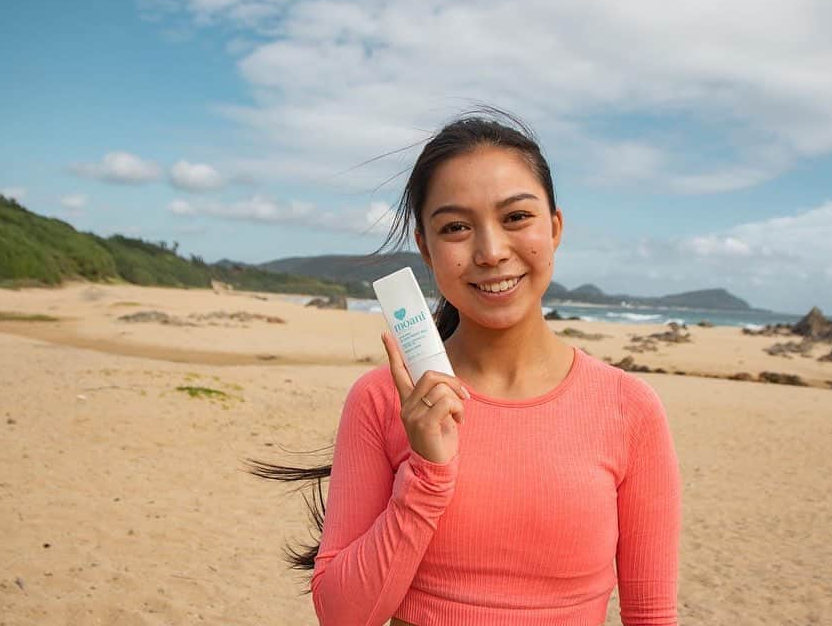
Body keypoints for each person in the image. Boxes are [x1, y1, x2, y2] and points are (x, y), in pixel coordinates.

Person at [251, 109, 682, 625]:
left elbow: (651, 614)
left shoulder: (628, 408)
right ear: (426, 251)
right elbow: (342, 616)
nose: (491, 251)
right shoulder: (384, 399)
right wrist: (427, 476)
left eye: (516, 217)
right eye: (456, 227)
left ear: (555, 227)